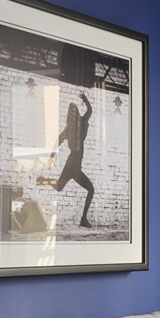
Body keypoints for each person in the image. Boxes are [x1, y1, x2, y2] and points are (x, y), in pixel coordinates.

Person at [37, 90, 95, 228]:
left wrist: (51, 157)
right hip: (74, 165)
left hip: (71, 163)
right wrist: (85, 99)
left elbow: (57, 141)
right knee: (91, 190)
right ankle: (83, 219)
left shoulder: (68, 129)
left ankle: (42, 180)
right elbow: (90, 111)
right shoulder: (81, 123)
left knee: (59, 187)